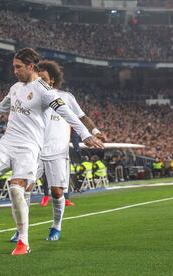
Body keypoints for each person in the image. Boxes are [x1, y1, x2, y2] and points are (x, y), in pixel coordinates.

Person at [0, 48, 104, 255]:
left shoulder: (44, 90)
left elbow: (66, 112)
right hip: (8, 141)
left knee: (16, 190)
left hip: (29, 147)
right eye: (13, 67)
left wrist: (86, 135)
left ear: (31, 67)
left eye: (18, 67)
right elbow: (2, 106)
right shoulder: (16, 87)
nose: (14, 71)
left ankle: (23, 241)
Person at [11, 60, 106, 242]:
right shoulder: (32, 95)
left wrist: (95, 132)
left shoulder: (66, 97)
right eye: (39, 78)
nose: (42, 82)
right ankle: (21, 230)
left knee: (56, 191)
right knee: (23, 188)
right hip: (36, 149)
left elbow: (82, 117)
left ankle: (56, 226)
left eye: (45, 79)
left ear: (52, 80)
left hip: (58, 151)